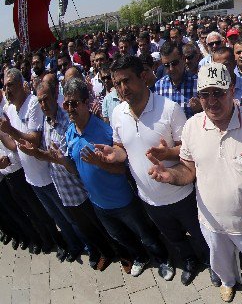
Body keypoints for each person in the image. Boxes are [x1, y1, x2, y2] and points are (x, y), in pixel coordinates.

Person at [146, 62, 242, 302]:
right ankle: (228, 281)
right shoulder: (191, 127)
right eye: (205, 94)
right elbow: (188, 171)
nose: (212, 100)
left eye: (218, 92)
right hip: (211, 222)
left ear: (231, 91)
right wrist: (170, 176)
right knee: (220, 259)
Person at [100, 55, 217, 285]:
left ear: (142, 77)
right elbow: (122, 148)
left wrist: (169, 153)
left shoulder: (169, 109)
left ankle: (212, 263)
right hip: (149, 199)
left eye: (127, 80)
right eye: (117, 84)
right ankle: (189, 261)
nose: (123, 88)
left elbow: (188, 148)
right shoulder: (117, 114)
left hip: (182, 194)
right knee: (174, 238)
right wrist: (115, 154)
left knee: (201, 235)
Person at [60, 77, 171, 278]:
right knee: (119, 236)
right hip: (98, 203)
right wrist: (60, 161)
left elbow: (121, 168)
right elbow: (74, 168)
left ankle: (163, 259)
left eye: (74, 103)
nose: (69, 108)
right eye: (66, 104)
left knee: (146, 235)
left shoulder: (104, 131)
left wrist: (99, 163)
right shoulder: (69, 133)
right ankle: (140, 257)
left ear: (86, 103)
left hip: (123, 201)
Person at [18, 76, 117, 270]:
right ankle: (100, 251)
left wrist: (45, 155)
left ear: (56, 95)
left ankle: (115, 253)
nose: (43, 104)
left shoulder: (67, 120)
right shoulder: (46, 121)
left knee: (98, 225)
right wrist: (38, 153)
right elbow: (52, 155)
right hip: (63, 189)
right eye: (39, 101)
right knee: (83, 226)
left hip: (79, 187)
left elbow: (70, 157)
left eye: (46, 98)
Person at [0, 69, 74, 258]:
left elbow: (33, 140)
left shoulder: (32, 104)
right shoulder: (9, 109)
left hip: (47, 174)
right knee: (52, 216)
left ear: (20, 85)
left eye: (10, 85)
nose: (6, 90)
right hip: (31, 177)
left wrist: (10, 130)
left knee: (67, 216)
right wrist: (5, 132)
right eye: (4, 86)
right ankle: (67, 245)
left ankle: (80, 244)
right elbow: (14, 146)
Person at [155, 41, 201, 118]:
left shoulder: (198, 83)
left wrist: (200, 109)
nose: (171, 69)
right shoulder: (159, 86)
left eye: (174, 63)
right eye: (166, 65)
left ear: (183, 59)